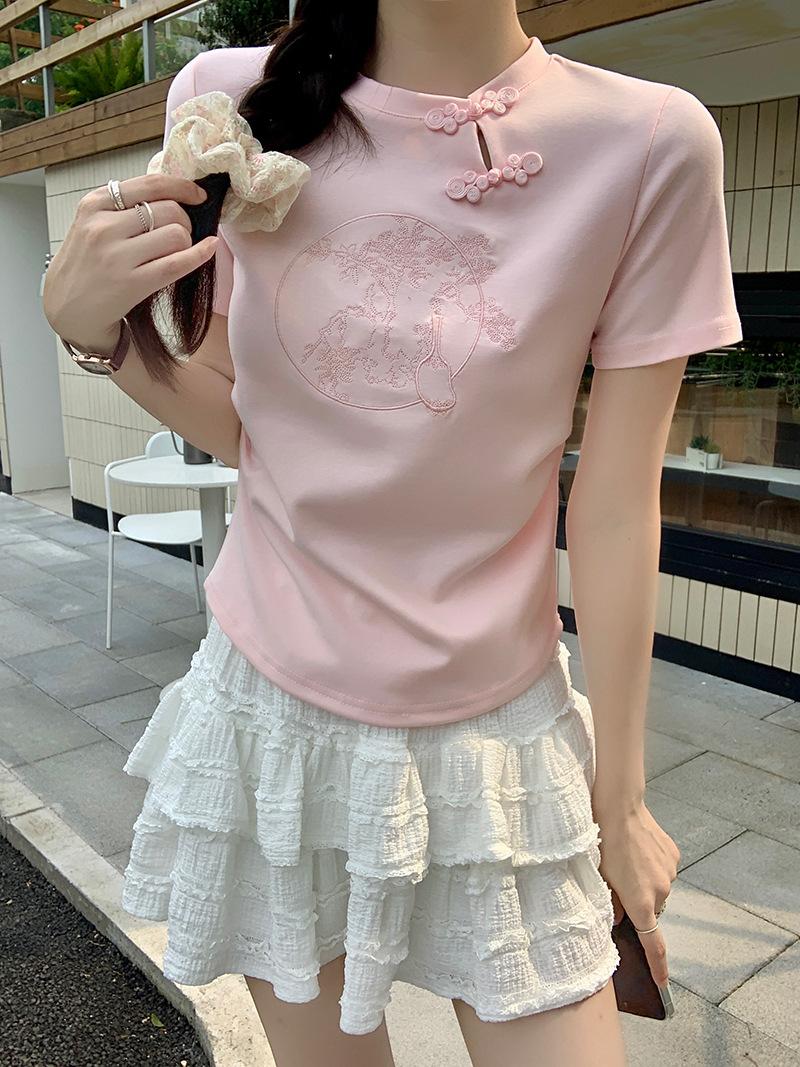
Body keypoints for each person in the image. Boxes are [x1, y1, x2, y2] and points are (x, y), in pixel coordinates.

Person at [42, 1, 743, 1064]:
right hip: (274, 715)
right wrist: (94, 334)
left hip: (498, 729)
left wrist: (621, 794)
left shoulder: (650, 140)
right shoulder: (228, 102)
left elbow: (612, 499)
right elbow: (245, 426)